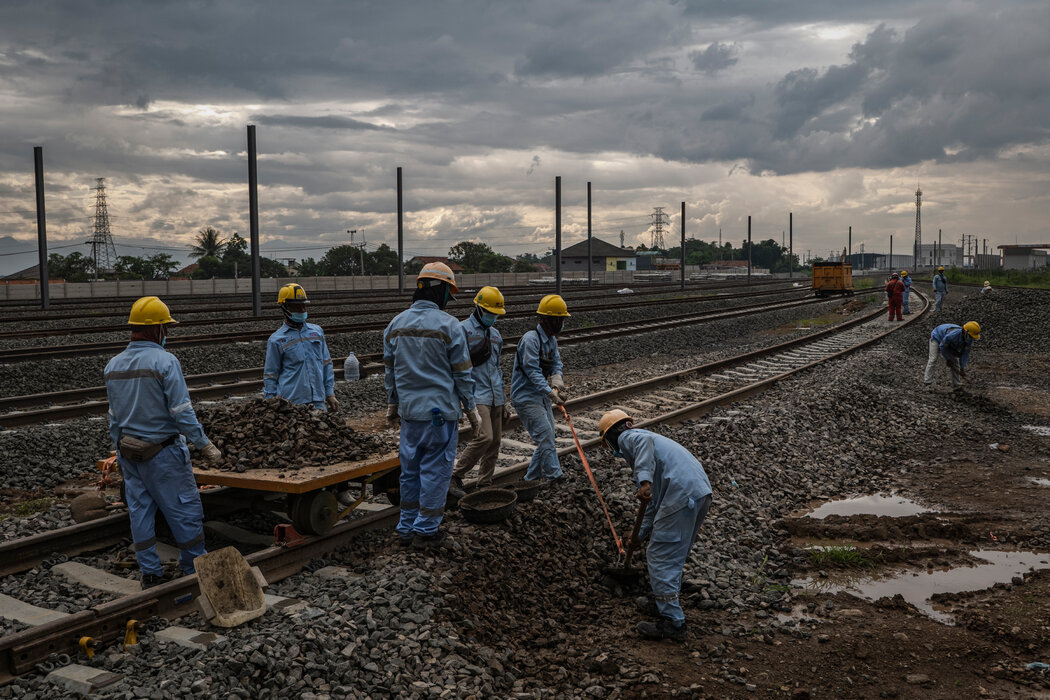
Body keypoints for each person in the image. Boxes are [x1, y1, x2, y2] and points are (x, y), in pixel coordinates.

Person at [104, 296, 223, 589]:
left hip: (129, 452)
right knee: (184, 509)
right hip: (163, 453)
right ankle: (194, 568)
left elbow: (113, 417)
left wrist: (119, 447)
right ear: (155, 329)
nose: (167, 333)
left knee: (140, 511)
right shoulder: (165, 361)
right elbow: (181, 411)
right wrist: (203, 444)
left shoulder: (113, 365)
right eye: (165, 328)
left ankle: (150, 572)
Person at [384, 262, 480, 549]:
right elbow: (463, 373)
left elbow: (391, 372)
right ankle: (426, 531)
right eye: (448, 293)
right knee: (436, 472)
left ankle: (405, 528)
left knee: (409, 471)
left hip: (410, 414)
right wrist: (471, 408)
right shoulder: (450, 325)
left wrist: (393, 404)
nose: (449, 300)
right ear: (440, 291)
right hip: (440, 414)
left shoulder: (395, 324)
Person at [598, 410, 712, 641]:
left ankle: (672, 623)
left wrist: (644, 481)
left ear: (610, 436)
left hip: (681, 492)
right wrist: (639, 534)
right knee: (674, 552)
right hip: (698, 491)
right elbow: (653, 503)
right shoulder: (654, 451)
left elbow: (643, 445)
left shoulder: (630, 438)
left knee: (661, 554)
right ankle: (662, 600)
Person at [449, 286, 508, 498]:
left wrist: (504, 400)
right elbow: (454, 364)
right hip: (476, 394)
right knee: (484, 436)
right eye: (490, 313)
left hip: (495, 395)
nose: (493, 317)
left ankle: (485, 482)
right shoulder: (461, 330)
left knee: (495, 442)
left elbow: (497, 368)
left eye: (496, 314)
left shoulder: (496, 335)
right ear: (479, 308)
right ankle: (456, 475)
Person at [510, 294, 570, 483]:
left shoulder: (551, 340)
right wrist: (551, 393)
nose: (561, 324)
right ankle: (555, 476)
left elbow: (556, 365)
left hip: (541, 396)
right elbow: (532, 372)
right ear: (546, 320)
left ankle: (530, 478)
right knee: (545, 434)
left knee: (548, 437)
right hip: (525, 397)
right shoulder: (531, 340)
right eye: (559, 320)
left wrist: (557, 383)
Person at [263, 283, 338, 412]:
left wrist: (329, 393)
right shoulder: (276, 340)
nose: (302, 310)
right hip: (292, 403)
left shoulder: (317, 332)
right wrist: (271, 402)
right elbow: (271, 375)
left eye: (304, 306)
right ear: (285, 308)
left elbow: (326, 364)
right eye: (297, 307)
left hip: (318, 400)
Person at [924, 321, 981, 390]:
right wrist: (947, 359)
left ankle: (957, 385)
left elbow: (965, 354)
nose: (971, 338)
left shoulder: (968, 340)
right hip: (937, 337)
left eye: (972, 337)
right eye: (970, 336)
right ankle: (927, 383)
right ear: (965, 332)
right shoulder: (952, 336)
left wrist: (962, 368)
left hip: (949, 344)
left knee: (955, 362)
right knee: (933, 359)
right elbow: (942, 347)